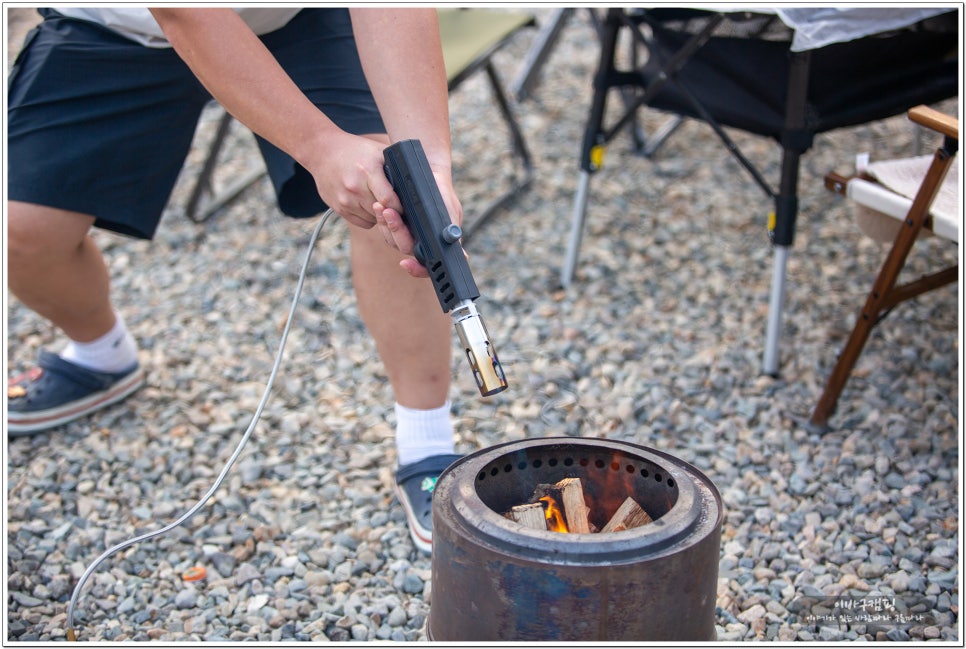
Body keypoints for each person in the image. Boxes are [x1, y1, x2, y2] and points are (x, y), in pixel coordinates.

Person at [6, 7, 464, 554]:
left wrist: (429, 165)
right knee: (20, 235)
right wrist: (320, 146)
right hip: (115, 25)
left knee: (395, 198)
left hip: (294, 17)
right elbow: (186, 12)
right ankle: (101, 352)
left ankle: (427, 442)